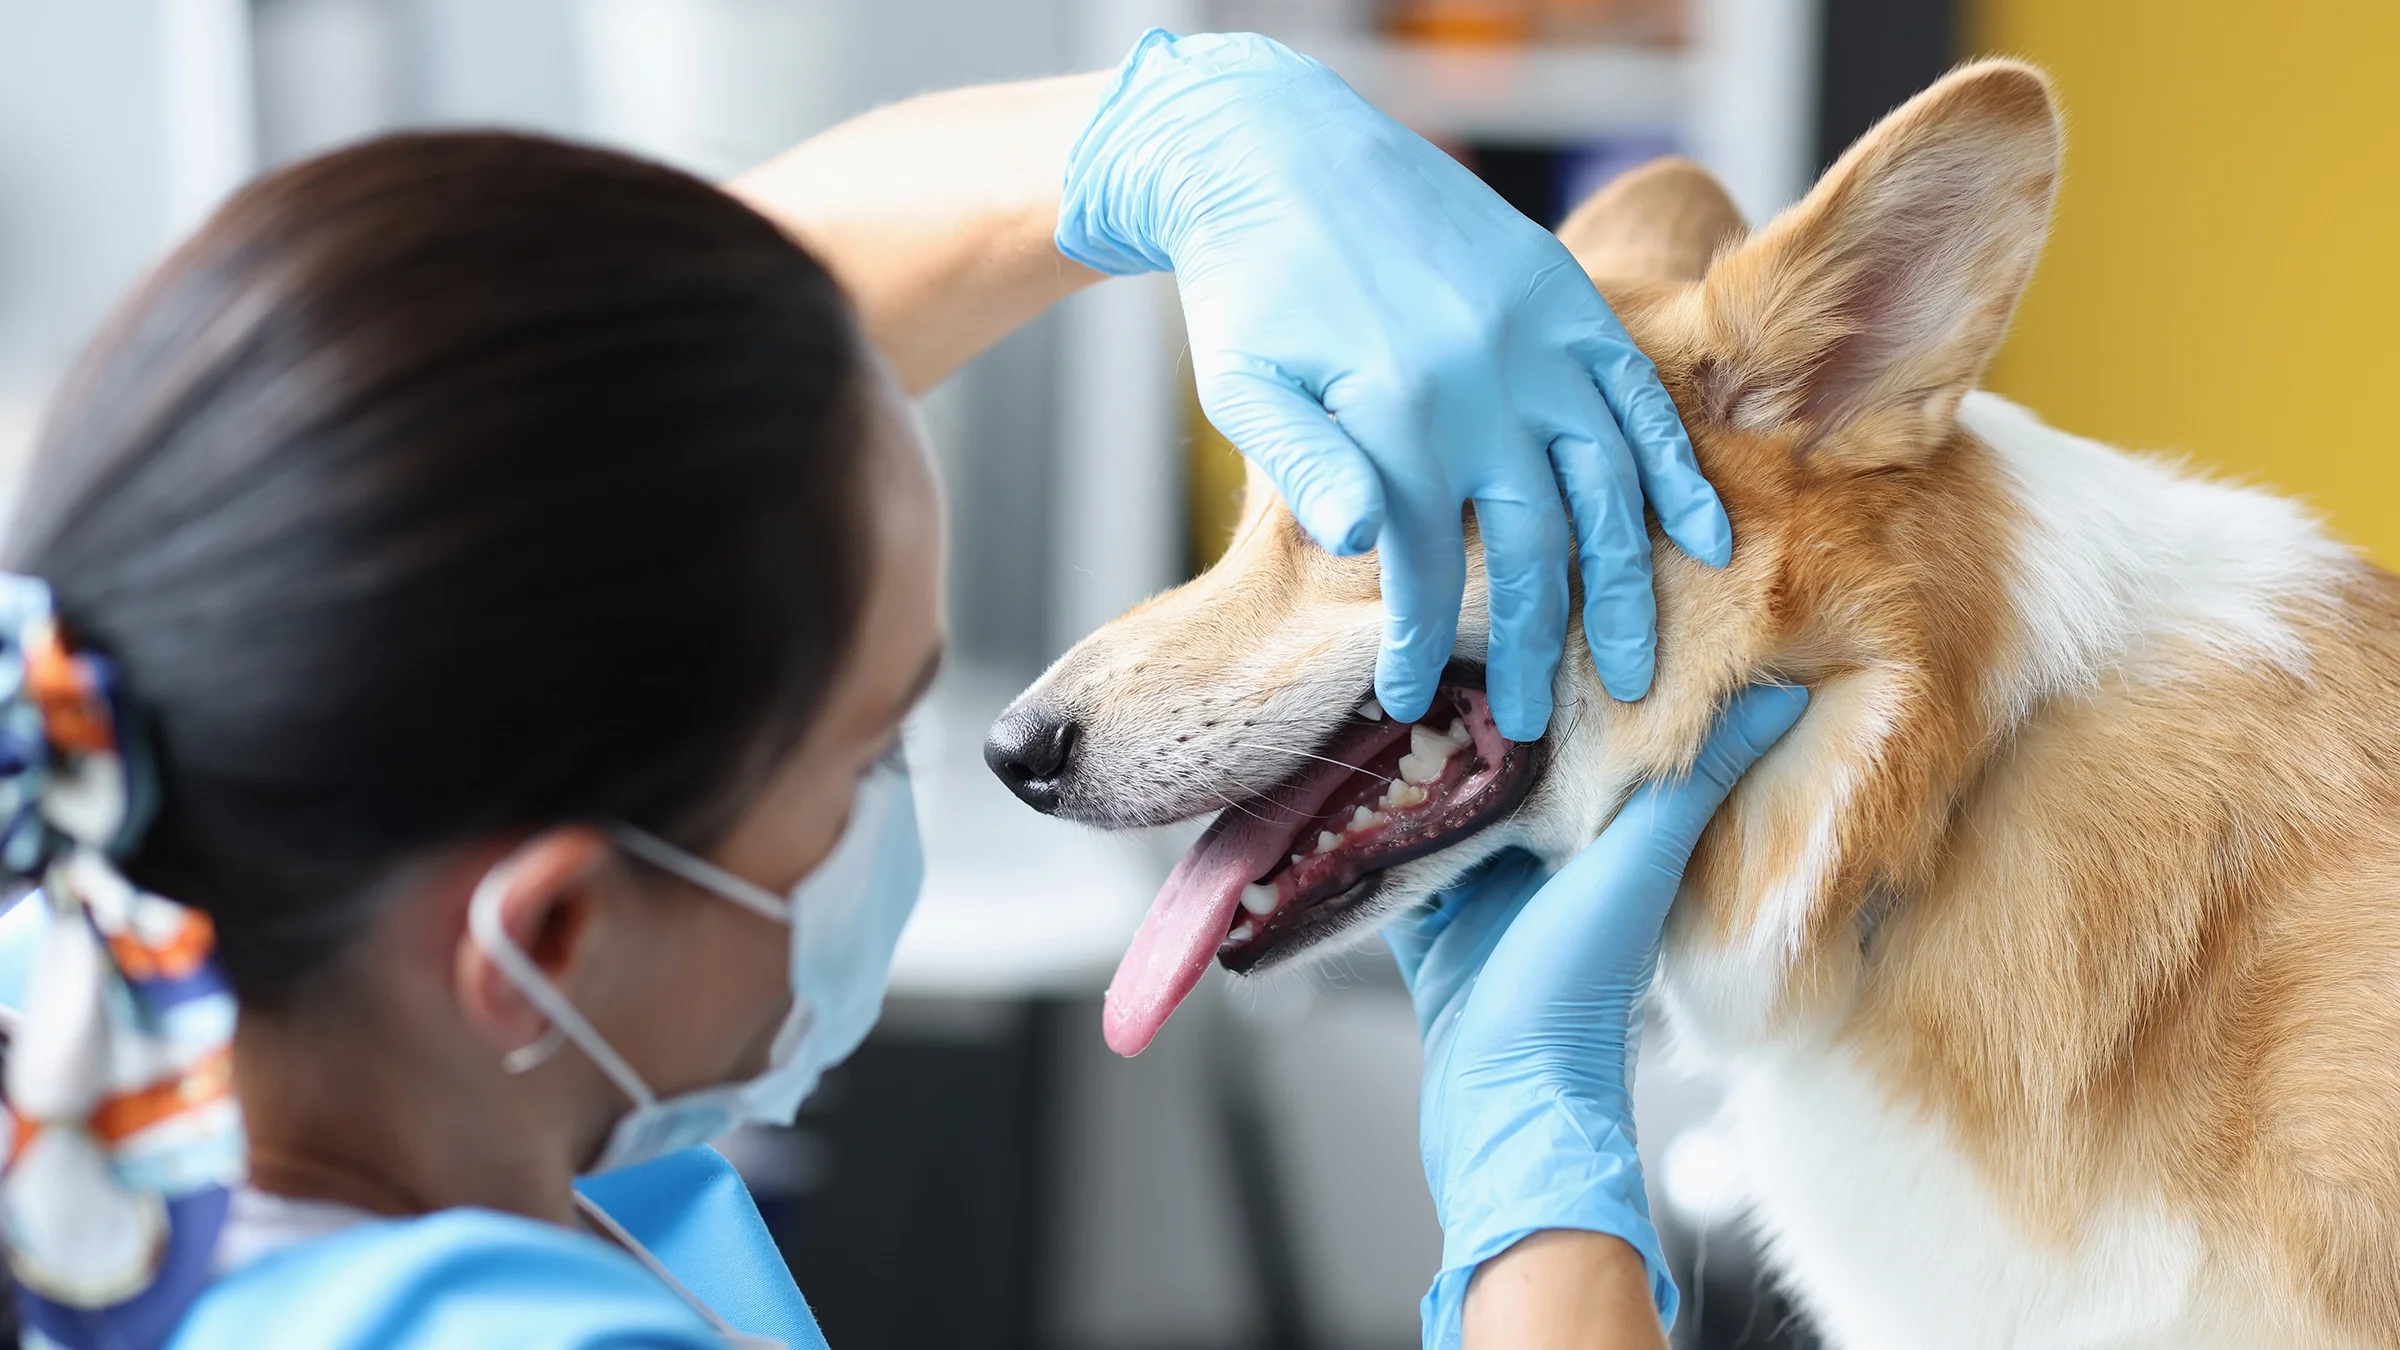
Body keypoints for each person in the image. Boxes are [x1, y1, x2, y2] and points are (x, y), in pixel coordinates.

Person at [0, 30, 1803, 1350]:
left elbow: (588, 403)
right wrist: (1540, 1202)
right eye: (872, 751)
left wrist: (1179, 129)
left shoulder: (195, 1077)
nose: (926, 791)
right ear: (543, 936)